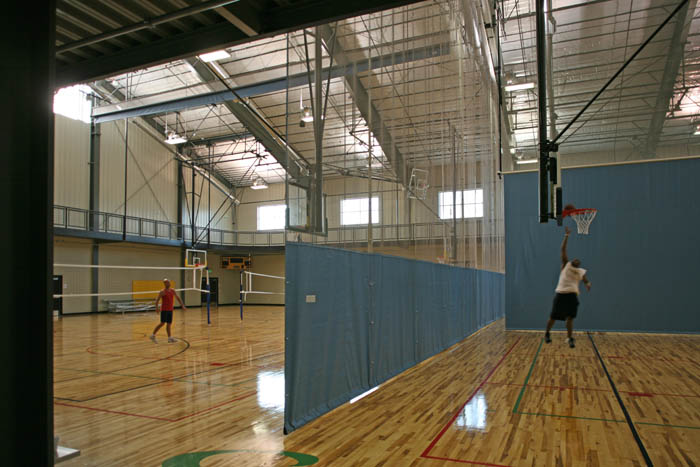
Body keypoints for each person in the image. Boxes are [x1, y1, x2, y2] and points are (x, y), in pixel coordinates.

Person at [545, 226, 591, 348]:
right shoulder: (566, 264)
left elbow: (585, 279)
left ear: (579, 264)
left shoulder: (581, 271)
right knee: (553, 317)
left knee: (570, 318)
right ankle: (547, 333)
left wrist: (587, 284)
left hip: (572, 296)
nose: (575, 260)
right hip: (561, 294)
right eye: (574, 259)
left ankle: (570, 338)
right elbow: (563, 250)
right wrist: (566, 236)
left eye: (577, 260)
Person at [149, 279, 186, 344]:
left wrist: (182, 305)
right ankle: (153, 335)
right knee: (162, 323)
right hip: (164, 310)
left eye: (168, 282)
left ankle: (169, 338)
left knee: (169, 323)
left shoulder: (172, 290)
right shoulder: (162, 292)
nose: (168, 283)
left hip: (170, 309)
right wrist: (157, 308)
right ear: (164, 284)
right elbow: (157, 300)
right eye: (166, 283)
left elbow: (177, 298)